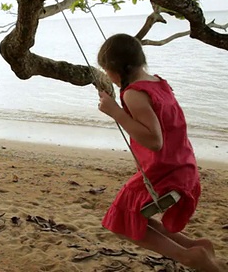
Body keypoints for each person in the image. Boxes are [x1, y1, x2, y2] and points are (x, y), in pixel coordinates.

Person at [96, 33, 225, 271]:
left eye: (106, 71)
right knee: (133, 215)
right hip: (182, 165)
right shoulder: (156, 82)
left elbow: (155, 140)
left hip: (165, 171)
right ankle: (196, 245)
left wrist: (116, 112)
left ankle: (190, 257)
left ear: (116, 69)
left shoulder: (134, 93)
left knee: (120, 221)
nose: (107, 77)